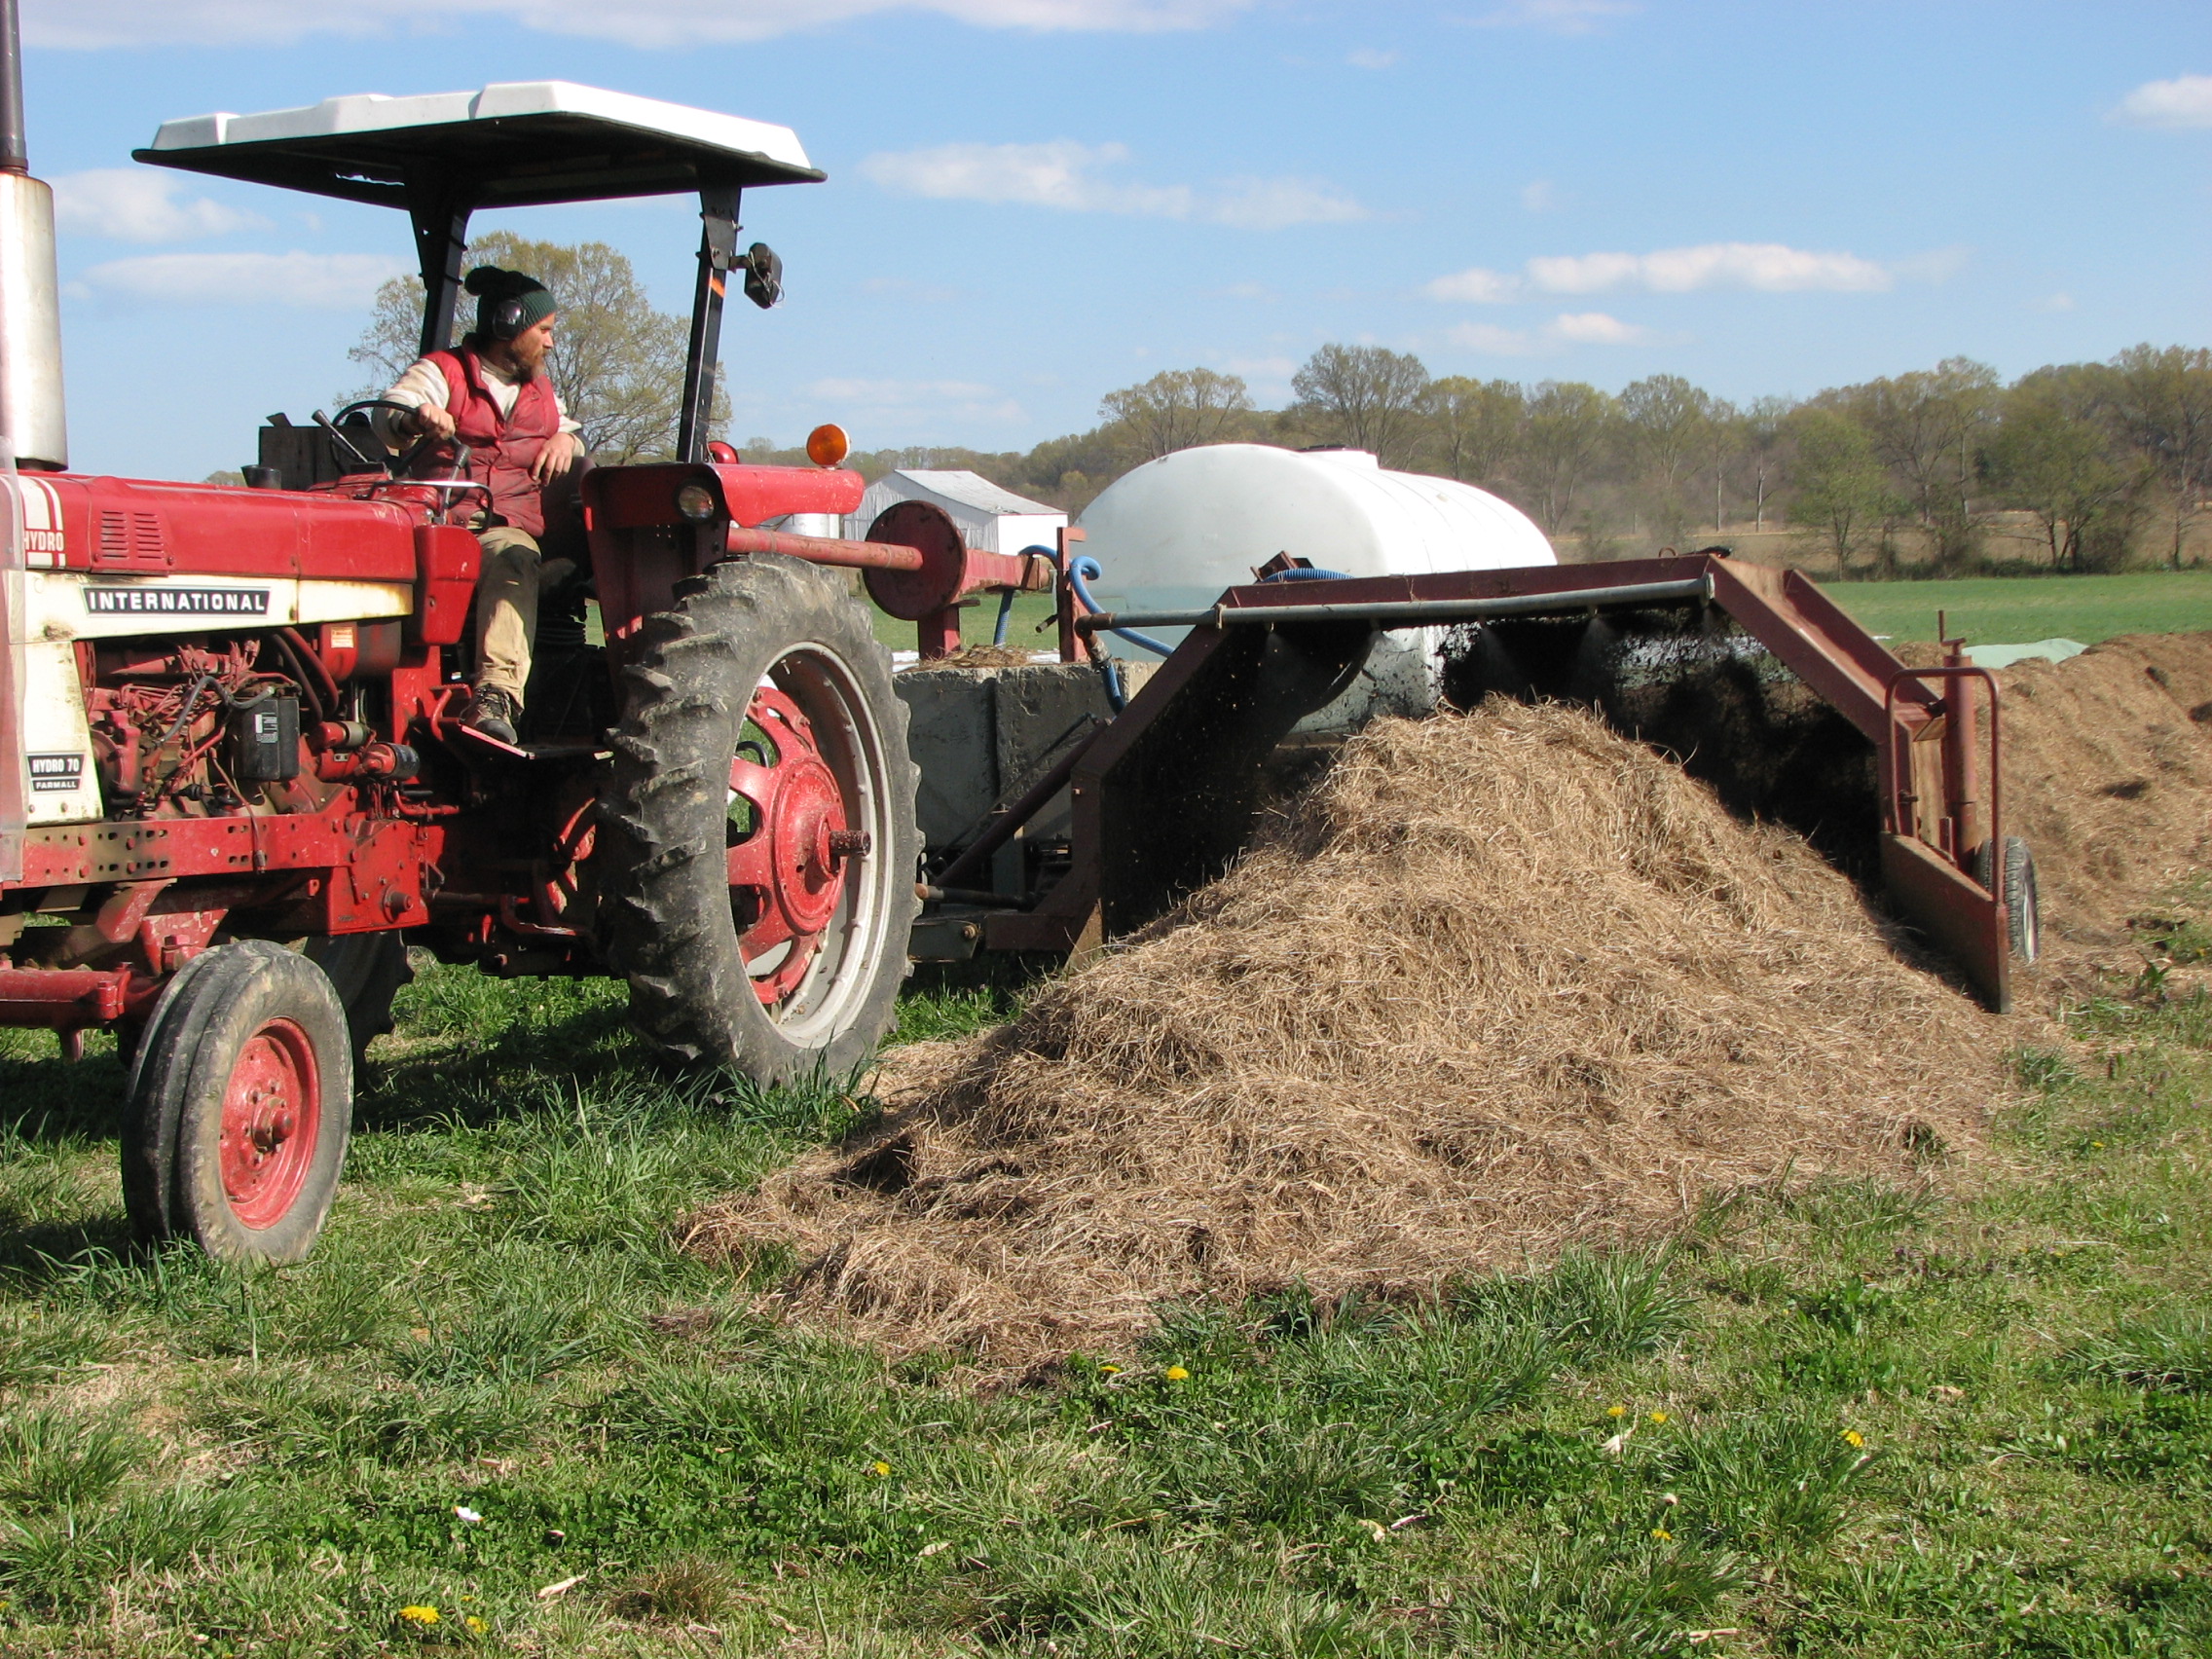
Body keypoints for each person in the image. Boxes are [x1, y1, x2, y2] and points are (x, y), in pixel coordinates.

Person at [375, 266, 586, 744]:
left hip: (502, 528)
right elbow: (390, 411)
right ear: (508, 324)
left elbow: (570, 428)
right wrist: (417, 417)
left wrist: (563, 440)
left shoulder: (540, 390)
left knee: (513, 555)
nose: (551, 344)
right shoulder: (441, 371)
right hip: (438, 520)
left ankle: (496, 695)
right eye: (545, 331)